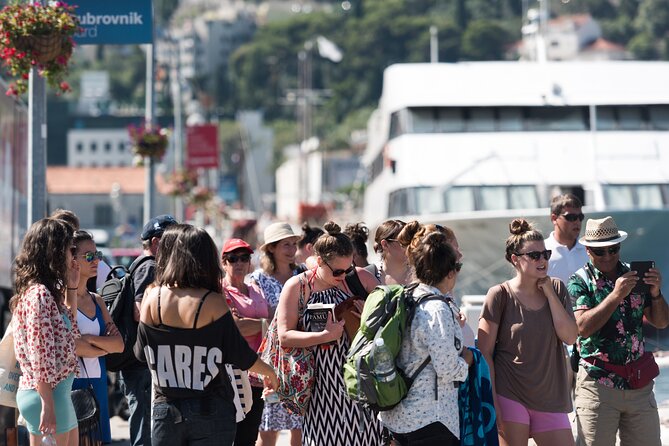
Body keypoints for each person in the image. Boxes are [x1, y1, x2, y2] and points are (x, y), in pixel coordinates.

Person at [134, 224, 279, 445]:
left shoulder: (152, 298)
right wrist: (270, 372)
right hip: (209, 408)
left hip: (166, 408)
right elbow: (239, 354)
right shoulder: (211, 301)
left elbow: (140, 354)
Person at [277, 221, 384, 445]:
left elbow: (391, 322)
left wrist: (371, 318)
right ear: (319, 261)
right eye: (337, 271)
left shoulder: (360, 278)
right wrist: (325, 336)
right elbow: (284, 335)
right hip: (320, 389)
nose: (344, 276)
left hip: (360, 383)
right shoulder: (298, 286)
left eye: (348, 269)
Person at [568, 216, 669, 446]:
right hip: (597, 383)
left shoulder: (634, 276)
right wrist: (615, 296)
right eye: (599, 251)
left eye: (612, 249)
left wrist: (655, 293)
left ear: (619, 247)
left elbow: (661, 322)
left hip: (638, 383)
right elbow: (582, 328)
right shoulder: (579, 281)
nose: (607, 256)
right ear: (587, 250)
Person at [478, 218, 578, 446]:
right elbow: (484, 352)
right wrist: (491, 401)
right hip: (509, 394)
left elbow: (570, 337)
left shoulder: (558, 288)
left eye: (546, 254)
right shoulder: (499, 295)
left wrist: (550, 294)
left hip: (550, 396)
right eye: (534, 256)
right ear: (515, 259)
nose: (542, 260)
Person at [380, 221, 473, 445]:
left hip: (397, 416)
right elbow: (447, 368)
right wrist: (467, 361)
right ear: (450, 273)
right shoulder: (437, 308)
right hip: (431, 418)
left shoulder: (405, 296)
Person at [11, 218, 81, 445]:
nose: (74, 255)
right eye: (71, 249)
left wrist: (72, 286)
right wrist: (48, 406)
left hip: (55, 394)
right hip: (48, 396)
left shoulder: (46, 293)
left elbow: (70, 333)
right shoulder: (39, 294)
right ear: (55, 251)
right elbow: (40, 354)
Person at [119, 214, 177, 446]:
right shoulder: (150, 267)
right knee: (145, 424)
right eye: (171, 239)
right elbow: (139, 312)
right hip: (140, 362)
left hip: (141, 360)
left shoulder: (145, 266)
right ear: (156, 242)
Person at [250, 221, 304, 446]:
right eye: (286, 245)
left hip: (302, 359)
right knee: (269, 426)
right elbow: (256, 315)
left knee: (300, 426)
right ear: (271, 248)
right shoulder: (258, 279)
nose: (292, 250)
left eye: (294, 244)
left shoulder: (304, 274)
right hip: (274, 360)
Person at [71, 230, 124, 445]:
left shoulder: (98, 300)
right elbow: (72, 345)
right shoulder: (63, 299)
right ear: (72, 259)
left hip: (98, 384)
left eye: (98, 254)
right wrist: (103, 346)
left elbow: (119, 345)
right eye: (89, 256)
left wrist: (89, 341)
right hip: (73, 385)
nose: (97, 261)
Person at [221, 238, 271, 446]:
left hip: (258, 374)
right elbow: (235, 329)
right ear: (224, 263)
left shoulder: (256, 289)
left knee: (249, 437)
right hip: (233, 375)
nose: (239, 263)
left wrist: (256, 323)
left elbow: (272, 323)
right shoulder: (220, 291)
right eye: (233, 259)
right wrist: (266, 324)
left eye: (244, 258)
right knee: (231, 436)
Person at [544, 194, 589, 287]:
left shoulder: (590, 250)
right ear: (554, 218)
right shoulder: (541, 251)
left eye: (580, 217)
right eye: (571, 217)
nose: (577, 222)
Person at [373, 219, 410, 285]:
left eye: (412, 241)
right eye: (404, 242)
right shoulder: (367, 276)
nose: (410, 246)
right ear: (385, 245)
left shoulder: (422, 277)